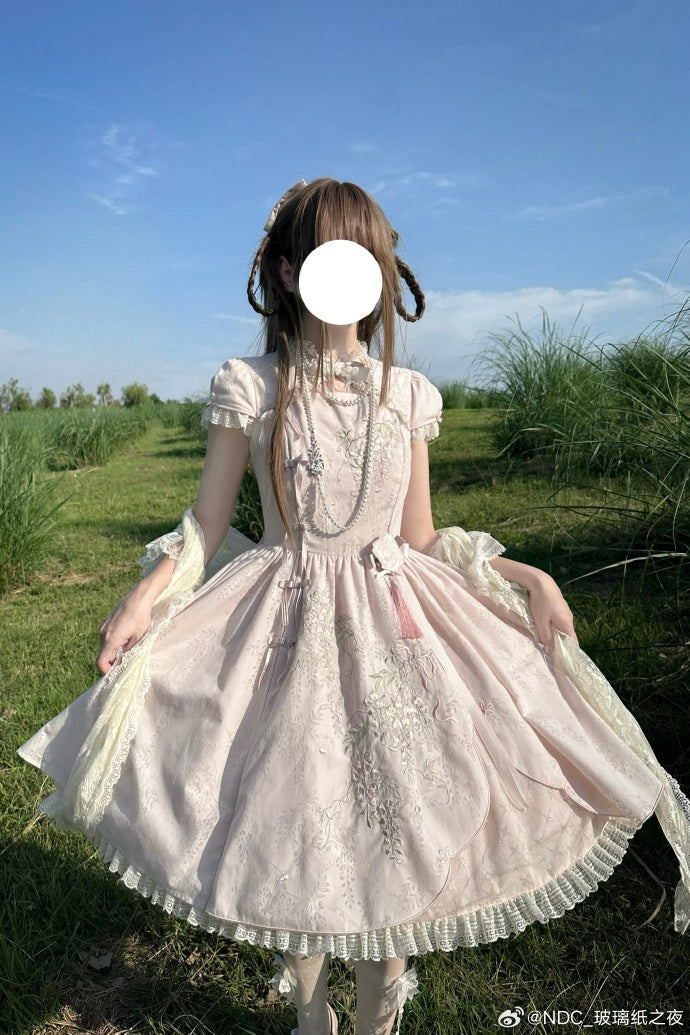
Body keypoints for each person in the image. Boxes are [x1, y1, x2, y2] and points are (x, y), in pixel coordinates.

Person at [16, 178, 690, 1035]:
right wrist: (144, 596)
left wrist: (529, 577)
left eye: (365, 258)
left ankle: (377, 1014)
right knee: (291, 821)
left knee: (390, 825)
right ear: (288, 271)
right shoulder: (251, 385)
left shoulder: (405, 395)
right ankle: (311, 1012)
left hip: (394, 628)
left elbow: (422, 534)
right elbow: (207, 522)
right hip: (283, 625)